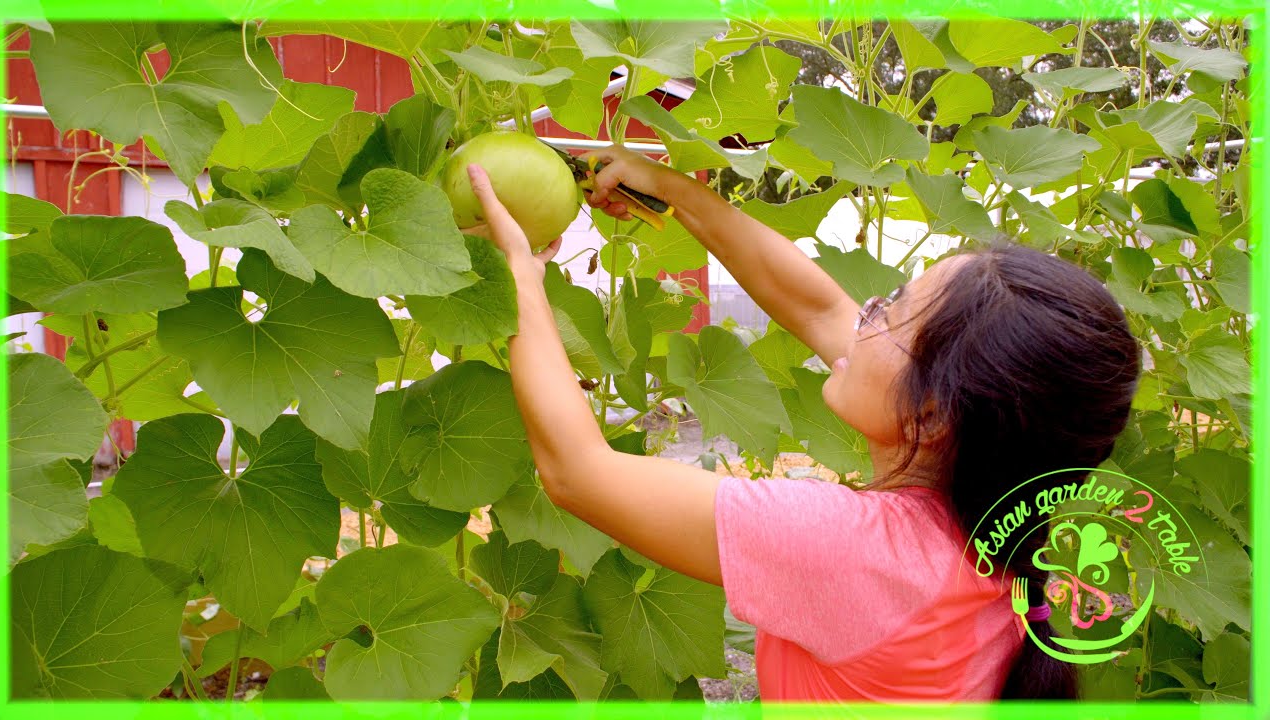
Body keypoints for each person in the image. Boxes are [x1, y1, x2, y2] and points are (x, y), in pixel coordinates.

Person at [461, 144, 1140, 702]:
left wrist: (518, 273)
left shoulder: (853, 550)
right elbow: (815, 307)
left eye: (892, 308)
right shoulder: (987, 540)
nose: (864, 310)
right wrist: (672, 189)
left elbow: (579, 473)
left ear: (932, 413)